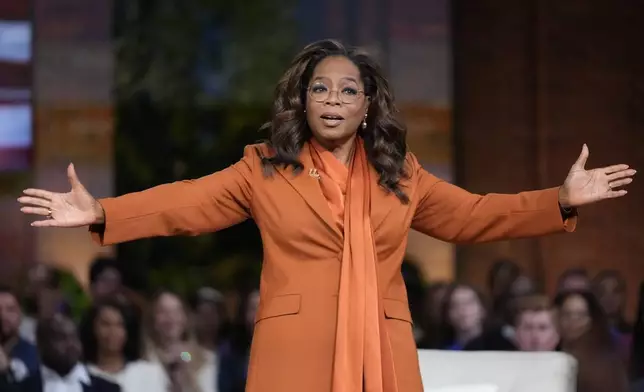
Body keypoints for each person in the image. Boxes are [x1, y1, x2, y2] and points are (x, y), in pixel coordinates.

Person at [17, 39, 636, 392]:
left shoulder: (402, 174)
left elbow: (475, 216)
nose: (332, 100)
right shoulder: (264, 168)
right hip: (295, 353)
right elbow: (188, 203)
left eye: (347, 90)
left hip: (382, 352)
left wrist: (558, 199)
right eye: (320, 88)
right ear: (302, 99)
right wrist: (103, 211)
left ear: (368, 106)